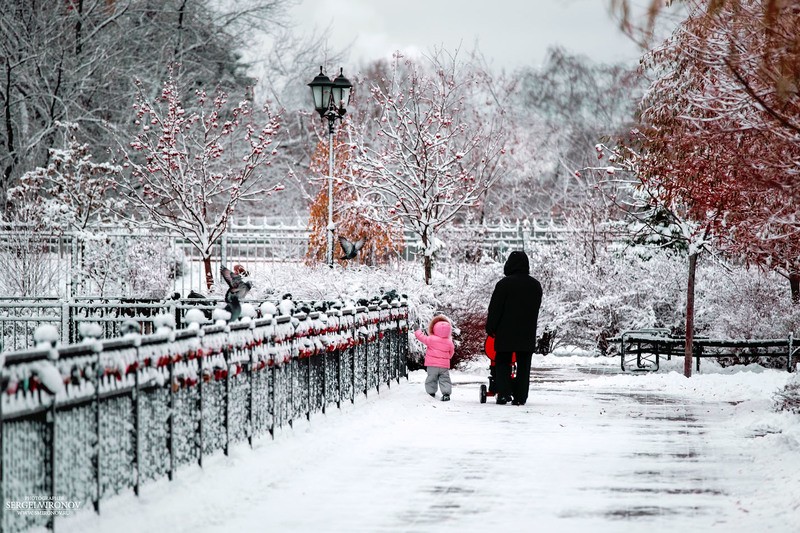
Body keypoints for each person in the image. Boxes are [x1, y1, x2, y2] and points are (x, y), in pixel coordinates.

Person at [485, 250, 543, 405]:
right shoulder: (535, 285)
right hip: (527, 332)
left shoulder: (504, 285)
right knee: (524, 366)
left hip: (505, 332)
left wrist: (491, 328)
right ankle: (521, 397)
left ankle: (504, 393)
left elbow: (495, 309)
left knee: (503, 361)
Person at [414, 314, 455, 401]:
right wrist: (446, 359)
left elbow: (422, 337)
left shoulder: (431, 339)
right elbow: (451, 353)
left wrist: (417, 330)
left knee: (431, 378)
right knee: (445, 379)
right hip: (444, 366)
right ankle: (446, 393)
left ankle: (431, 392)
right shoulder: (449, 342)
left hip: (432, 365)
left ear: (434, 328)